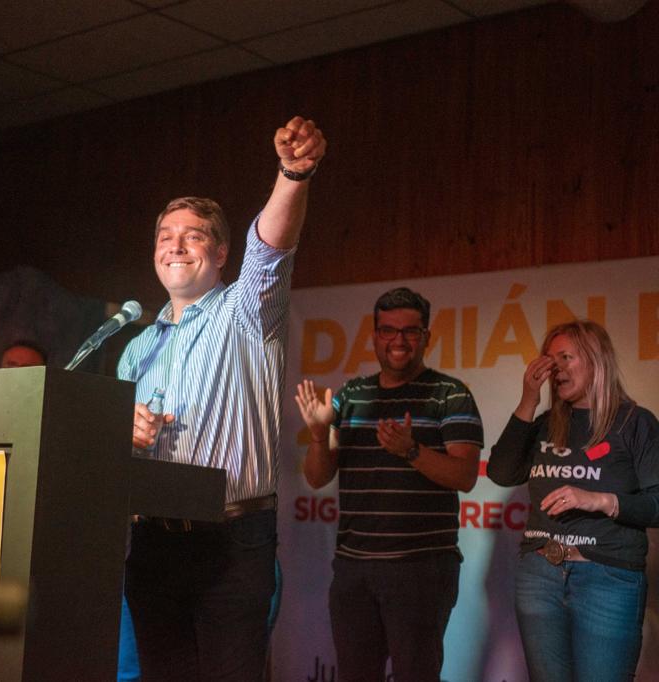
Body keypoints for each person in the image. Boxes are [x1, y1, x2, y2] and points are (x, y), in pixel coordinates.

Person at [119, 116, 326, 681]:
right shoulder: (135, 350)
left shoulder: (247, 312)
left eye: (192, 236)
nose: (175, 245)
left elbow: (271, 248)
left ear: (220, 252)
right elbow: (115, 462)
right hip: (152, 541)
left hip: (232, 541)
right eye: (165, 236)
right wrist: (122, 433)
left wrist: (293, 174)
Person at [294, 286, 483, 682]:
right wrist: (318, 435)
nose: (399, 340)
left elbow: (465, 476)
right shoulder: (352, 395)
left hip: (421, 570)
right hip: (354, 570)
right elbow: (316, 476)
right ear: (375, 336)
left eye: (410, 331)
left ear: (426, 337)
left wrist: (410, 450)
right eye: (388, 330)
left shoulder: (450, 394)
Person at [487, 320, 659, 681]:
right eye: (550, 361)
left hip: (607, 579)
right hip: (540, 575)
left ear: (597, 360)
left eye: (566, 357)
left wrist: (600, 500)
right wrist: (529, 400)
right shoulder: (547, 423)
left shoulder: (635, 422)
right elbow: (501, 472)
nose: (556, 369)